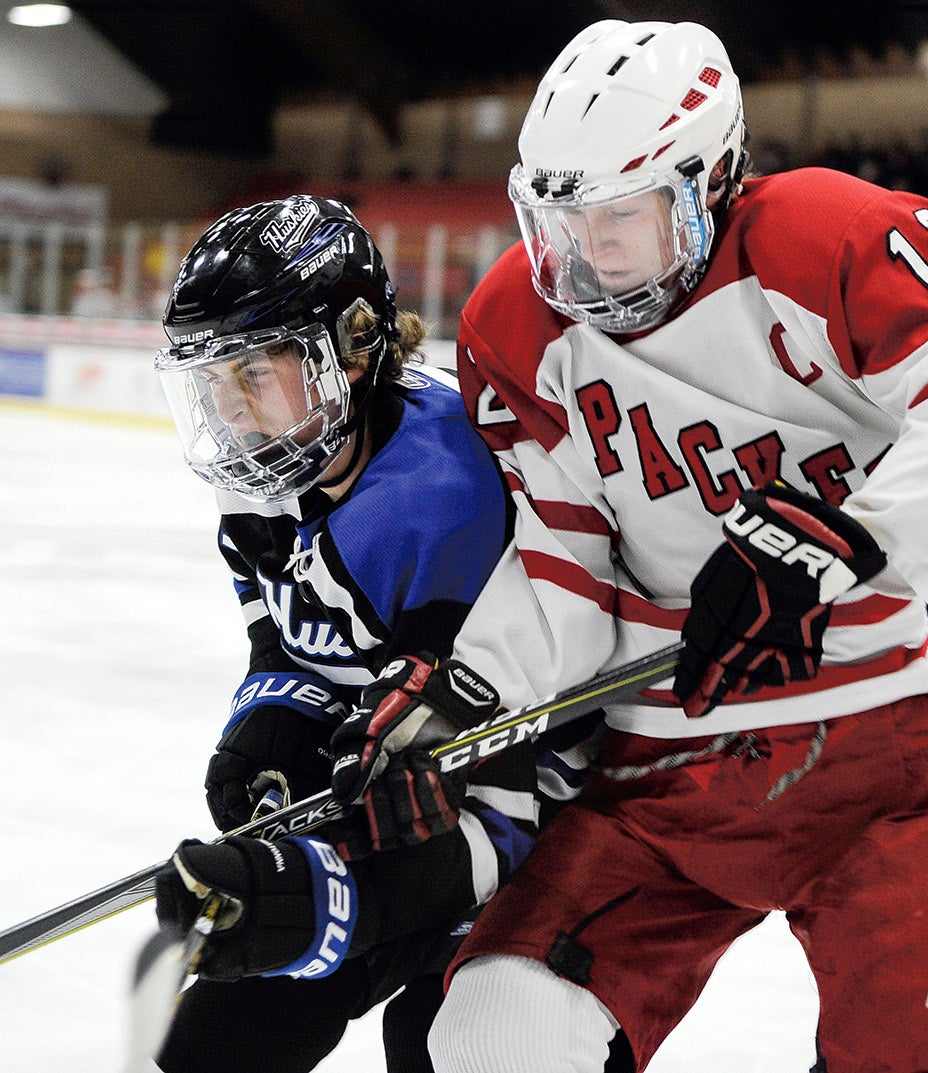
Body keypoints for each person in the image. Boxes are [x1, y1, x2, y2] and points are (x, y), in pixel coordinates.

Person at [324, 19, 928, 1073]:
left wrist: (843, 540)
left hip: (873, 750)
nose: (583, 256)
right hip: (656, 766)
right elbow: (564, 553)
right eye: (557, 219)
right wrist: (470, 694)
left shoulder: (831, 237)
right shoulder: (516, 322)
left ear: (714, 177)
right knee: (496, 1031)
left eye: (619, 219)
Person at [147, 195, 598, 1073]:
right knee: (212, 1041)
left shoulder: (445, 501)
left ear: (352, 350)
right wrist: (269, 722)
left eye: (254, 374)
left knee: (438, 1047)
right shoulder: (269, 467)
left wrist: (328, 902)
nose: (231, 414)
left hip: (524, 823)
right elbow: (285, 642)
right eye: (211, 382)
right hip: (388, 776)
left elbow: (505, 790)